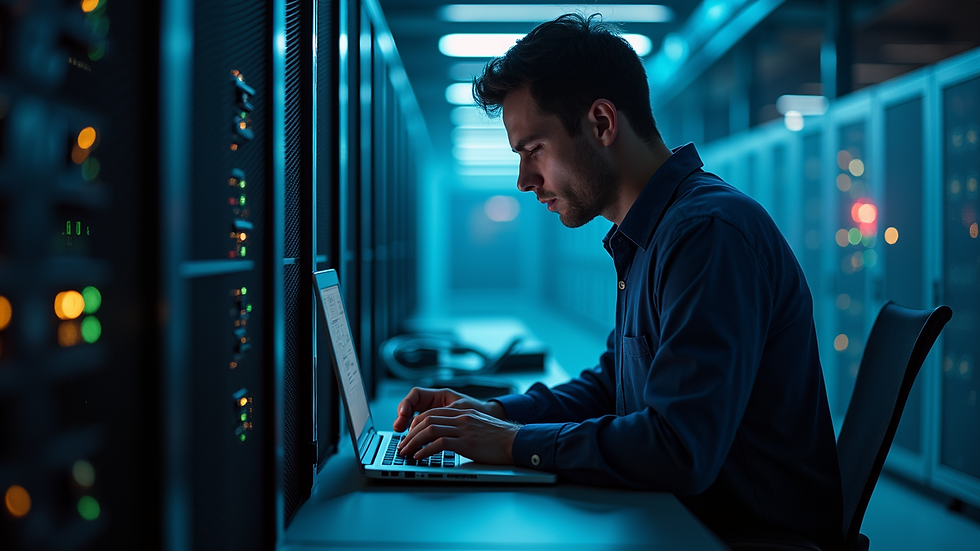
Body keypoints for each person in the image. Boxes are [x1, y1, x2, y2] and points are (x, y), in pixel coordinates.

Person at [393, 13, 843, 550]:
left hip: (740, 535)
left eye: (533, 150)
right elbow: (615, 386)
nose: (524, 181)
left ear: (602, 123)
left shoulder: (707, 234)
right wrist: (496, 413)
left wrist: (513, 443)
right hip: (690, 519)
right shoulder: (652, 235)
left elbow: (679, 447)